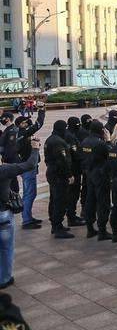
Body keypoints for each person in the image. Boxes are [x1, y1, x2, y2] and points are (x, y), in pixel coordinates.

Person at [0, 137, 41, 289]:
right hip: (3, 214)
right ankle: (4, 278)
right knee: (6, 247)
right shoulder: (4, 170)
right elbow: (29, 164)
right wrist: (35, 148)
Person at [0, 102, 45, 230]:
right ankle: (26, 219)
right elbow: (38, 124)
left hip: (23, 165)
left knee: (30, 192)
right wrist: (42, 110)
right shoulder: (22, 133)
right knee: (29, 193)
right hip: (27, 167)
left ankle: (28, 216)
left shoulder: (17, 133)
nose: (28, 124)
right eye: (26, 122)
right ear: (21, 124)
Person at [80, 120, 112, 241]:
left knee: (90, 201)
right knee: (103, 203)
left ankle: (90, 228)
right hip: (101, 175)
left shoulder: (85, 141)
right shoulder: (100, 143)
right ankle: (102, 230)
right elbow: (110, 154)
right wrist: (108, 140)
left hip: (89, 174)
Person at [44, 120, 75, 239]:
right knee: (60, 201)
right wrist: (69, 175)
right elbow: (63, 161)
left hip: (52, 172)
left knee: (54, 199)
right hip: (59, 175)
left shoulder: (50, 139)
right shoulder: (58, 142)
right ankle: (57, 227)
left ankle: (55, 224)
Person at [64, 117, 86, 226]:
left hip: (70, 169)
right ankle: (71, 217)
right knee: (73, 194)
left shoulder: (67, 133)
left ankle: (71, 215)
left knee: (70, 194)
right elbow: (76, 154)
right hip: (74, 169)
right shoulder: (70, 136)